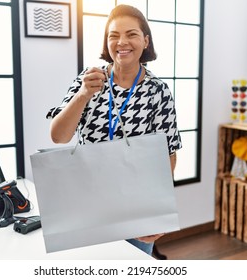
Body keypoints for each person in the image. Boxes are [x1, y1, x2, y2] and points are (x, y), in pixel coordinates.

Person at [46, 4, 182, 256]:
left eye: (131, 34)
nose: (122, 42)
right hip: (87, 203)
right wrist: (83, 94)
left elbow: (168, 155)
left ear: (145, 40)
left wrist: (156, 213)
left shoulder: (158, 91)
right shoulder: (88, 80)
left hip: (136, 206)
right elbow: (58, 136)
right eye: (114, 36)